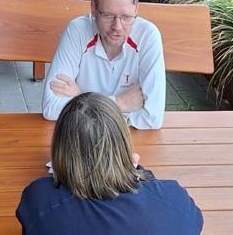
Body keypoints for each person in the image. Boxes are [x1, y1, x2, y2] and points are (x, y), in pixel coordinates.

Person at [18, 93, 202, 235]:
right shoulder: (175, 200)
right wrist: (139, 175)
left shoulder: (40, 200)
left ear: (61, 150)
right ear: (123, 143)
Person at [42, 0, 166, 128]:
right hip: (83, 137)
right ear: (94, 9)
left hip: (123, 139)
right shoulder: (77, 31)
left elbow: (152, 117)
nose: (117, 27)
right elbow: (50, 107)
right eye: (108, 15)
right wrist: (119, 103)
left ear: (136, 10)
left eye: (126, 17)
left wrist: (80, 98)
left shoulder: (148, 36)